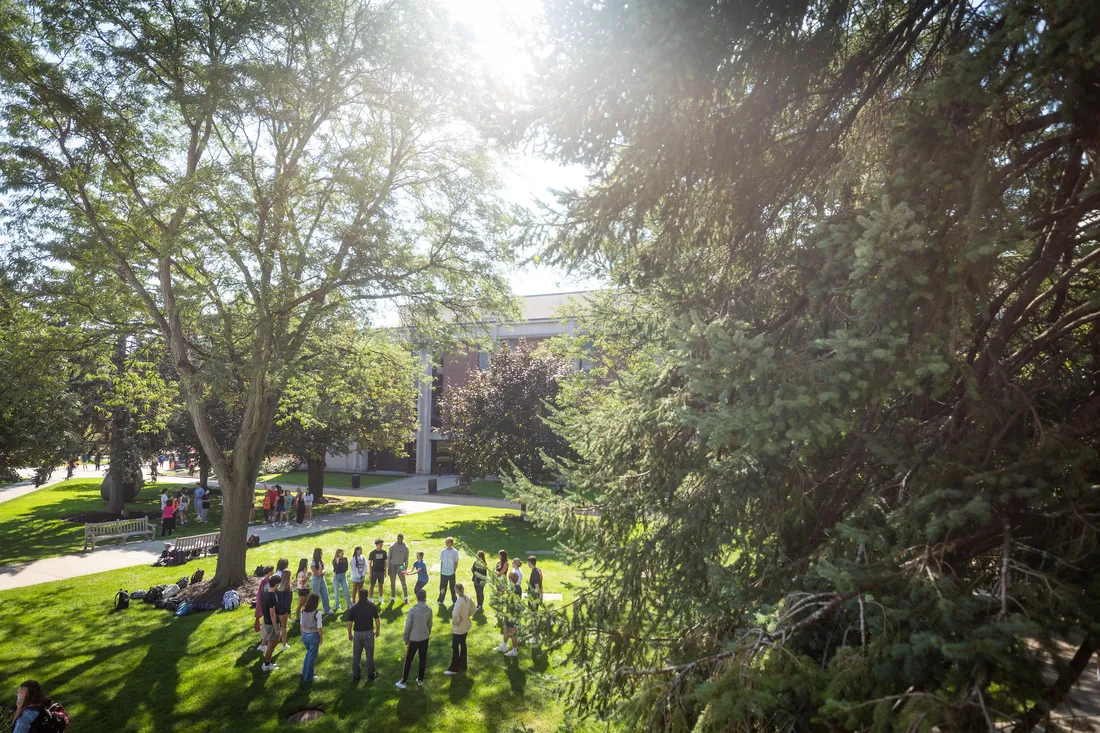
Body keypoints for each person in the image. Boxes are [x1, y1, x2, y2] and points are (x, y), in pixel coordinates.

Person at [396, 589, 433, 689]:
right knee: (423, 659)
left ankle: (403, 681)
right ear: (425, 597)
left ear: (417, 598)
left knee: (408, 660)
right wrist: (427, 633)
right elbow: (430, 625)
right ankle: (420, 679)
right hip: (424, 638)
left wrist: (406, 638)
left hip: (414, 639)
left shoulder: (413, 610)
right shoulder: (429, 610)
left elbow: (408, 626)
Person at [346, 588, 381, 681]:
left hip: (357, 634)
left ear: (358, 596)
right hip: (369, 633)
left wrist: (349, 633)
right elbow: (377, 620)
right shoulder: (371, 606)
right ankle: (370, 674)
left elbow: (349, 622)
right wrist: (378, 630)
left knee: (356, 655)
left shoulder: (354, 608)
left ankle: (356, 675)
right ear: (367, 595)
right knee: (369, 655)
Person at [444, 583, 475, 676]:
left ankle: (454, 668)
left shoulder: (459, 601)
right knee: (463, 645)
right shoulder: (467, 597)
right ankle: (462, 664)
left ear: (457, 590)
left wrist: (455, 622)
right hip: (466, 626)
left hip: (459, 628)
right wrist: (467, 616)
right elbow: (474, 608)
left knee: (455, 647)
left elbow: (456, 614)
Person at [495, 570, 523, 658]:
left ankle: (515, 650)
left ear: (511, 579)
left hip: (514, 613)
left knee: (513, 631)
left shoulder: (516, 588)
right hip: (508, 611)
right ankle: (504, 645)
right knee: (506, 627)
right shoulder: (513, 587)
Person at [299, 593, 324, 682]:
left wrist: (302, 635)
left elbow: (301, 624)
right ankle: (308, 677)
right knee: (312, 656)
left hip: (305, 634)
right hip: (313, 636)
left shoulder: (303, 611)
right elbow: (319, 627)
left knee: (309, 654)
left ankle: (304, 672)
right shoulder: (318, 613)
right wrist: (321, 637)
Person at [260, 574, 281, 672]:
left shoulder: (265, 594)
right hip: (271, 623)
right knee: (272, 644)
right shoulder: (272, 597)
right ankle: (266, 664)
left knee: (274, 641)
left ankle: (267, 662)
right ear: (276, 585)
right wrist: (276, 628)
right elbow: (272, 614)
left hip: (267, 621)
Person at [254, 565, 275, 647]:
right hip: (267, 604)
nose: (273, 572)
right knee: (266, 621)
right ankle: (265, 639)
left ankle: (265, 638)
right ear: (269, 572)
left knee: (266, 621)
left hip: (265, 603)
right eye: (272, 571)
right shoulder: (267, 582)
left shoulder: (264, 581)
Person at [388, 533, 410, 604]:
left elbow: (406, 559)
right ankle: (392, 597)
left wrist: (405, 569)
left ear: (403, 539)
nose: (399, 540)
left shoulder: (405, 547)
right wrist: (389, 568)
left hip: (400, 566)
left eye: (401, 539)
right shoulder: (392, 546)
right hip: (392, 565)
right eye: (398, 539)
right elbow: (389, 558)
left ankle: (406, 597)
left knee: (403, 581)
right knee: (392, 582)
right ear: (397, 538)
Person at [276, 566, 293, 650]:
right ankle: (284, 644)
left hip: (276, 609)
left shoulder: (278, 586)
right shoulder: (288, 588)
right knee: (284, 627)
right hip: (283, 610)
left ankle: (264, 643)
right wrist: (289, 612)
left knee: (275, 626)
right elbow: (288, 602)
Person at [309, 547, 331, 613]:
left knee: (325, 594)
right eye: (321, 553)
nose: (322, 554)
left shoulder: (321, 561)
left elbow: (323, 568)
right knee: (315, 595)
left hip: (322, 578)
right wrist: (321, 573)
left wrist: (323, 571)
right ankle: (313, 610)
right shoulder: (312, 563)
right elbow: (315, 573)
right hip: (316, 580)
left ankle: (327, 609)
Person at [438, 536, 459, 604]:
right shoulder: (443, 551)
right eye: (446, 542)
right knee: (442, 587)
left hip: (451, 573)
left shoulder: (455, 552)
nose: (446, 543)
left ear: (451, 543)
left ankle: (454, 600)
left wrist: (454, 570)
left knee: (452, 587)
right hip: (444, 573)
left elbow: (456, 562)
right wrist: (441, 570)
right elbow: (442, 561)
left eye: (447, 542)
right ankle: (441, 600)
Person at [367, 539, 388, 604]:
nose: (381, 546)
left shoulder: (384, 552)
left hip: (381, 571)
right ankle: (371, 599)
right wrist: (370, 573)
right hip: (374, 571)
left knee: (381, 585)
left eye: (382, 544)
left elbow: (385, 562)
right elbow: (370, 563)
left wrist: (385, 572)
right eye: (380, 544)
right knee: (372, 585)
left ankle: (380, 598)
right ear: (376, 545)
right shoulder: (372, 553)